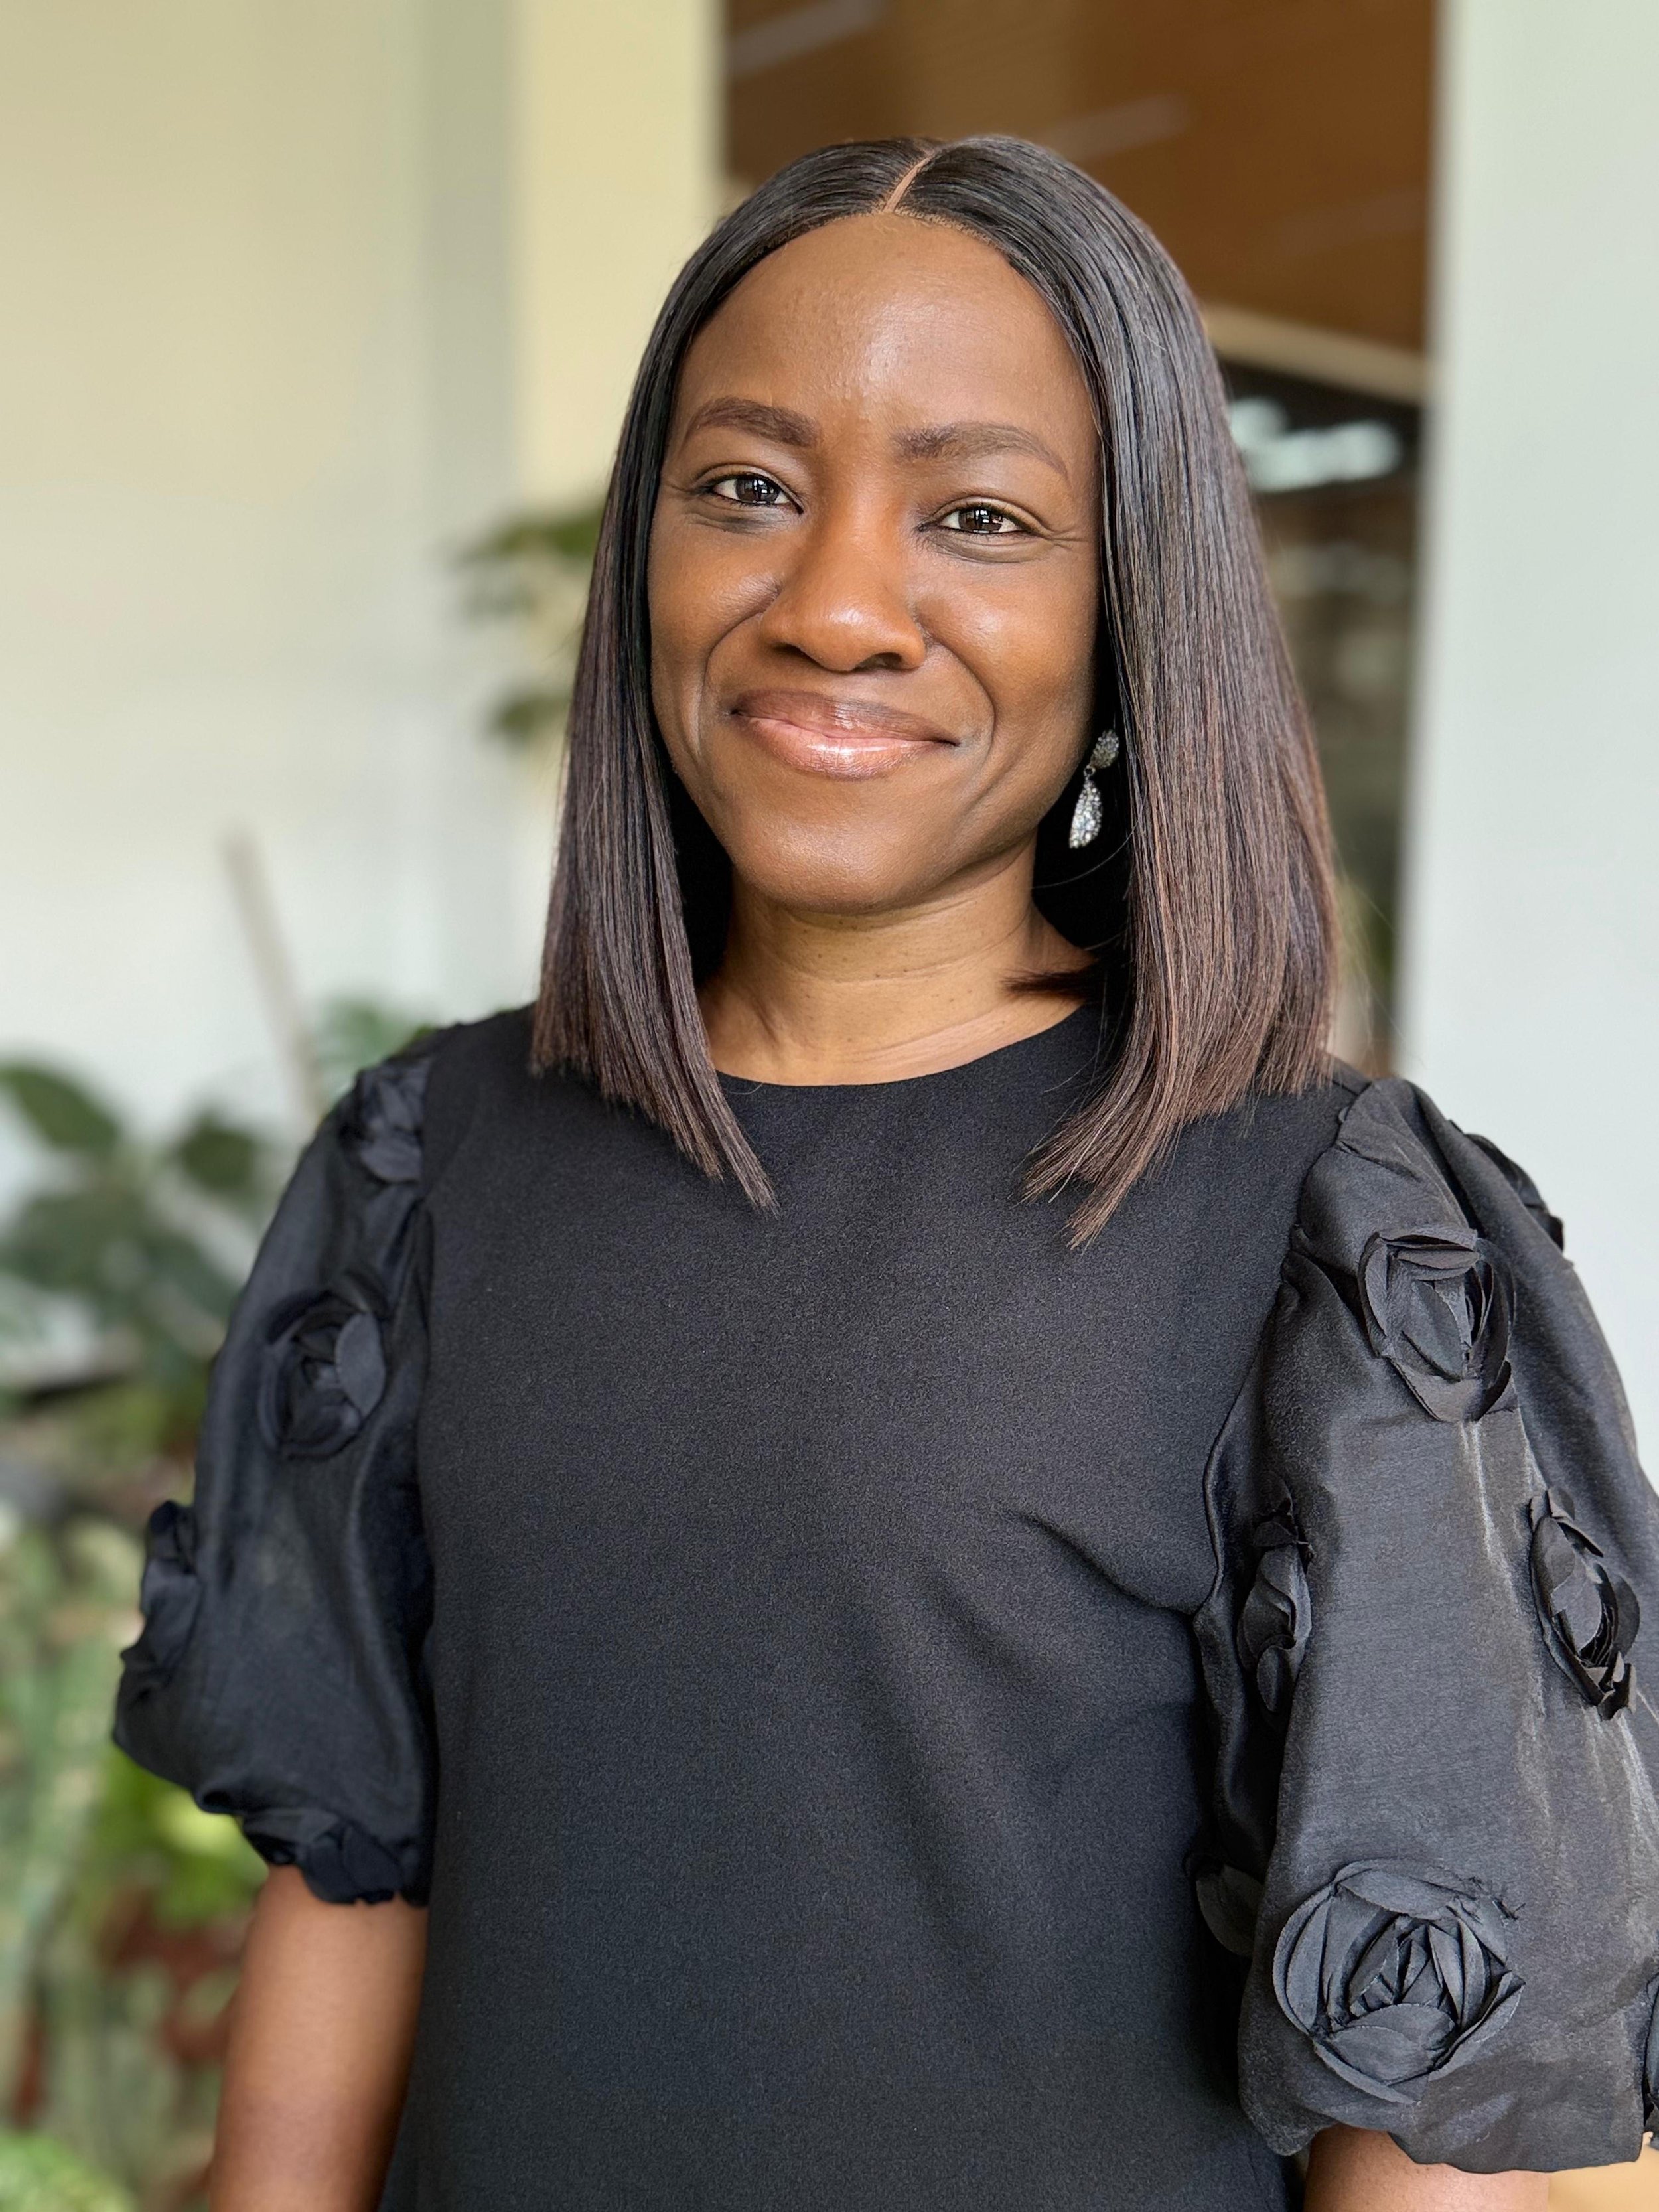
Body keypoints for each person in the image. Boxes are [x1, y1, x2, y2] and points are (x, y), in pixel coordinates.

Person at [115, 137, 1659, 2211]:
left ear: (1132, 614)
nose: (836, 607)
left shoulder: (1318, 1232)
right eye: (745, 488)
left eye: (979, 518)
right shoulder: (428, 1166)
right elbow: (352, 1870)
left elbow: (1423, 2091)